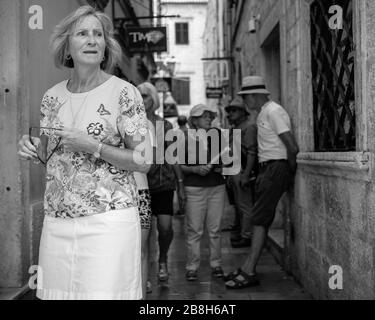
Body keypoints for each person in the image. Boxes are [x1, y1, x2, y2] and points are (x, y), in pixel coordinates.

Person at [17, 6, 151, 300]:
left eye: (98, 34)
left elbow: (144, 161)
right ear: (67, 45)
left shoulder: (123, 93)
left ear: (105, 46)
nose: (92, 40)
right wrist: (34, 150)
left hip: (108, 223)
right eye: (82, 34)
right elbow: (54, 159)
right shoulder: (52, 97)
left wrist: (95, 146)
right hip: (57, 222)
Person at [225, 76, 299, 289]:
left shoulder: (273, 111)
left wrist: (288, 171)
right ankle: (247, 267)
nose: (245, 102)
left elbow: (291, 147)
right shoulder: (264, 113)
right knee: (260, 218)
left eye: (245, 97)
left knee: (258, 219)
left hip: (275, 167)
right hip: (269, 169)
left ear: (255, 95)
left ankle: (248, 270)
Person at [137, 82, 186, 283]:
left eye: (146, 96)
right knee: (143, 232)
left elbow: (172, 156)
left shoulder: (163, 125)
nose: (142, 99)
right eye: (139, 95)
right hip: (140, 185)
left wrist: (180, 184)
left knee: (165, 228)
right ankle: (144, 272)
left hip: (163, 184)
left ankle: (163, 258)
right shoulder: (132, 125)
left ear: (154, 99)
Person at [181, 104, 226, 281]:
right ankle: (192, 267)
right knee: (195, 230)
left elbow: (227, 160)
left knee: (215, 229)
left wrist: (218, 166)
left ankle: (216, 264)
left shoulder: (217, 136)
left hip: (216, 187)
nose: (208, 119)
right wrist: (195, 169)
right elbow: (179, 165)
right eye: (204, 116)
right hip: (194, 188)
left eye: (209, 116)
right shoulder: (185, 138)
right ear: (194, 120)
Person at [225, 96, 257, 248]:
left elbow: (251, 152)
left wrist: (245, 174)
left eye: (234, 110)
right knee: (238, 205)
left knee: (245, 205)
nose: (230, 114)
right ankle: (241, 232)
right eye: (229, 111)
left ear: (243, 112)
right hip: (233, 170)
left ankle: (247, 235)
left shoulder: (248, 127)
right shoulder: (234, 129)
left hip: (242, 170)